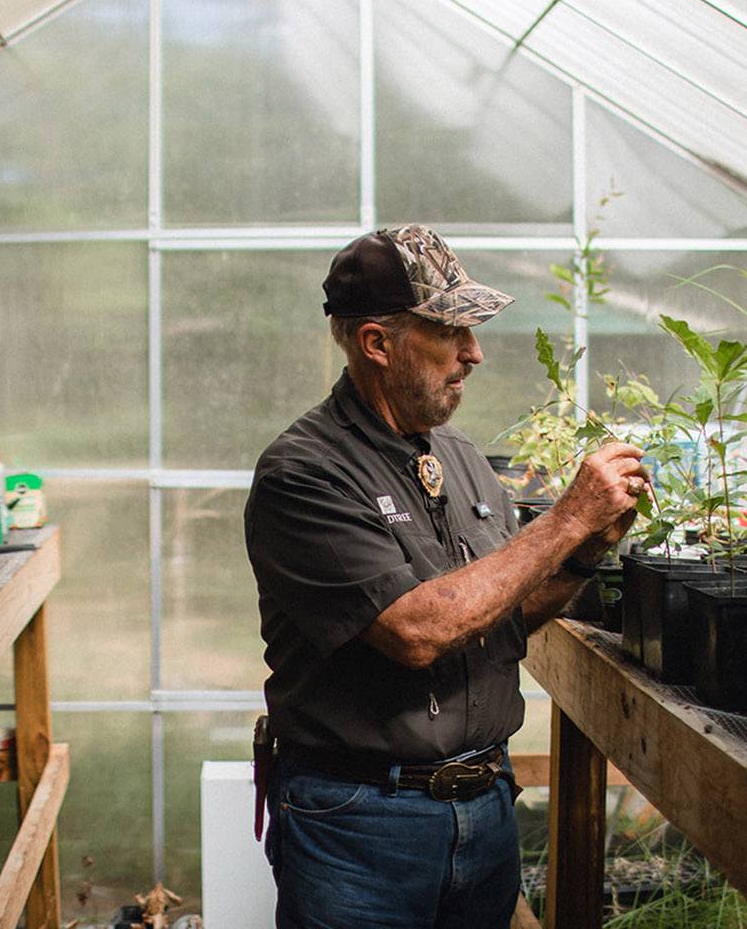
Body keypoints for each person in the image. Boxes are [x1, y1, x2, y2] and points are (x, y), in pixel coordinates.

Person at [245, 224, 649, 929]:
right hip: (360, 824)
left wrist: (587, 551)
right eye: (451, 332)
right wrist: (562, 522)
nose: (475, 353)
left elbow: (500, 617)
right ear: (377, 343)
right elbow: (418, 631)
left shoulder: (458, 457)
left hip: (484, 809)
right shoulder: (305, 473)